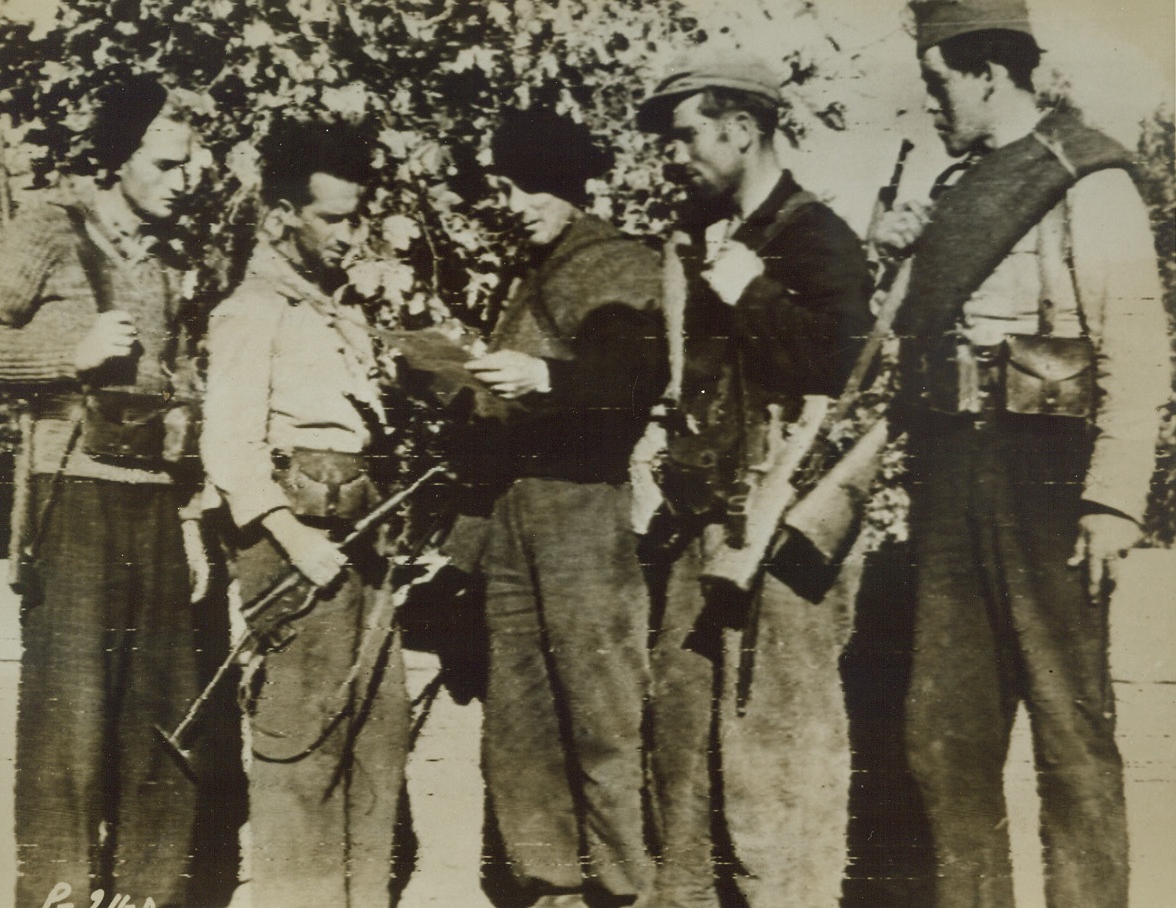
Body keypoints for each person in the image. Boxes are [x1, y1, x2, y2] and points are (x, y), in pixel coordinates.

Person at [870, 3, 1171, 905]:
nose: (930, 105)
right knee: (943, 732)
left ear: (986, 73)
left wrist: (1114, 501)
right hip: (952, 468)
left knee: (1070, 732)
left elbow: (1137, 347)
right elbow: (904, 341)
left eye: (937, 84)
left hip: (1051, 471)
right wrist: (892, 262)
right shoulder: (959, 189)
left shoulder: (1085, 175)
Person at [635, 55, 874, 908]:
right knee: (682, 741)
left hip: (779, 534)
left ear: (742, 128)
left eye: (687, 134)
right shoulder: (700, 238)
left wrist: (755, 293)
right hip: (705, 520)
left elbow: (847, 374)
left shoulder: (818, 240)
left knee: (776, 748)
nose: (674, 155)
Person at [0, 76, 205, 907]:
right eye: (166, 164)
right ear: (119, 160)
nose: (182, 181)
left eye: (190, 167)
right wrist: (68, 351)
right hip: (69, 492)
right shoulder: (48, 225)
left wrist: (189, 511)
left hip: (153, 497)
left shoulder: (170, 260)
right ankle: (59, 892)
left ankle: (151, 891)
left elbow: (181, 386)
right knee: (68, 719)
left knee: (160, 714)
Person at [447, 106, 666, 908]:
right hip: (513, 512)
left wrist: (541, 381)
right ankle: (547, 883)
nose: (518, 201)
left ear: (571, 186)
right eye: (508, 187)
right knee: (520, 716)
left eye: (535, 186)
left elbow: (631, 387)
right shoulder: (527, 272)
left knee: (600, 712)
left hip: (583, 511)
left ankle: (623, 886)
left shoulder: (617, 265)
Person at [201, 119, 410, 908]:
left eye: (357, 215)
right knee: (302, 753)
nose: (350, 235)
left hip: (361, 547)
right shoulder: (252, 310)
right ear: (283, 214)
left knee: (374, 739)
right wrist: (296, 544)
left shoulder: (338, 310)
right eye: (333, 217)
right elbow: (230, 453)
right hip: (296, 554)